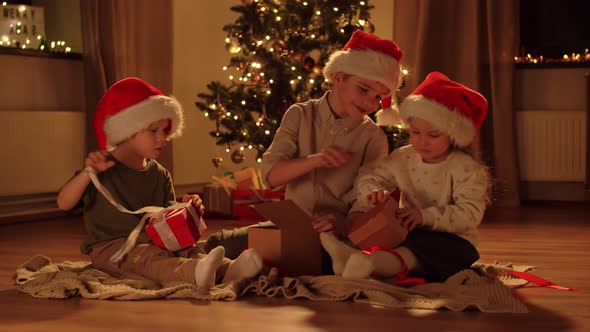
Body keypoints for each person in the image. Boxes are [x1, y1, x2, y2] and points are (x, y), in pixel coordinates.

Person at [204, 30, 404, 264]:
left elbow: (365, 198)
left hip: (338, 235)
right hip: (291, 225)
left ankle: (274, 262)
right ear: (338, 77)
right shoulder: (299, 114)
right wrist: (316, 160)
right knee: (217, 244)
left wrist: (340, 223)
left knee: (327, 257)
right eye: (363, 89)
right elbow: (271, 176)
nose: (371, 103)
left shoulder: (374, 137)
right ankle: (268, 261)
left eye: (379, 98)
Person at [57, 77, 262, 289]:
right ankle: (196, 273)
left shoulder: (160, 174)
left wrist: (185, 208)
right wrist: (87, 173)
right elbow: (64, 203)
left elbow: (167, 218)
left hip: (155, 240)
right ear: (128, 131)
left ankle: (228, 269)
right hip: (113, 250)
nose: (162, 138)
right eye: (153, 131)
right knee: (149, 260)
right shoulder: (101, 169)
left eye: (165, 131)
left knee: (188, 249)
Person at [320, 71, 491, 282]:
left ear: (453, 135)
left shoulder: (465, 168)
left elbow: (470, 214)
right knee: (398, 239)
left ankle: (371, 263)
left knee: (433, 252)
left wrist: (424, 216)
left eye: (433, 135)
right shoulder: (404, 157)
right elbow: (371, 175)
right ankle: (351, 256)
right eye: (415, 132)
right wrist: (371, 192)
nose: (422, 142)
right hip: (410, 232)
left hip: (456, 239)